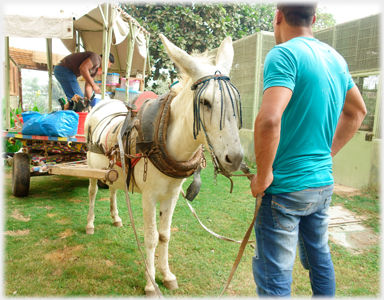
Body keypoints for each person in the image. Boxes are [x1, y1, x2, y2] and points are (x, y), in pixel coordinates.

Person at [250, 3, 367, 297]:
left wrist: (263, 176)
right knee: (320, 259)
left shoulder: (284, 54)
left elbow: (268, 120)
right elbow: (357, 112)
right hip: (322, 187)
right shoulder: (336, 59)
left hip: (285, 190)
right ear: (313, 19)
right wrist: (326, 155)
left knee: (275, 276)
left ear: (278, 17)